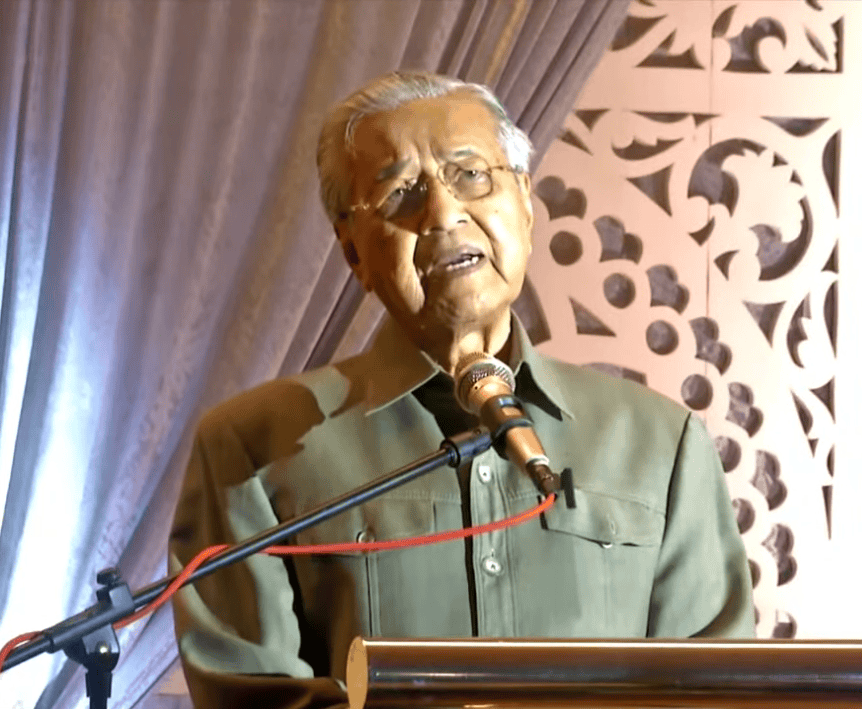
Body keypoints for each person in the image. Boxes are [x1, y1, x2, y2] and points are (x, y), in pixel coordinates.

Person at [169, 70, 755, 709]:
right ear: (352, 250)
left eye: (471, 175)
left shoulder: (661, 444)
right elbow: (253, 698)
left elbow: (713, 693)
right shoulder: (251, 449)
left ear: (525, 203)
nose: (444, 214)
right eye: (401, 193)